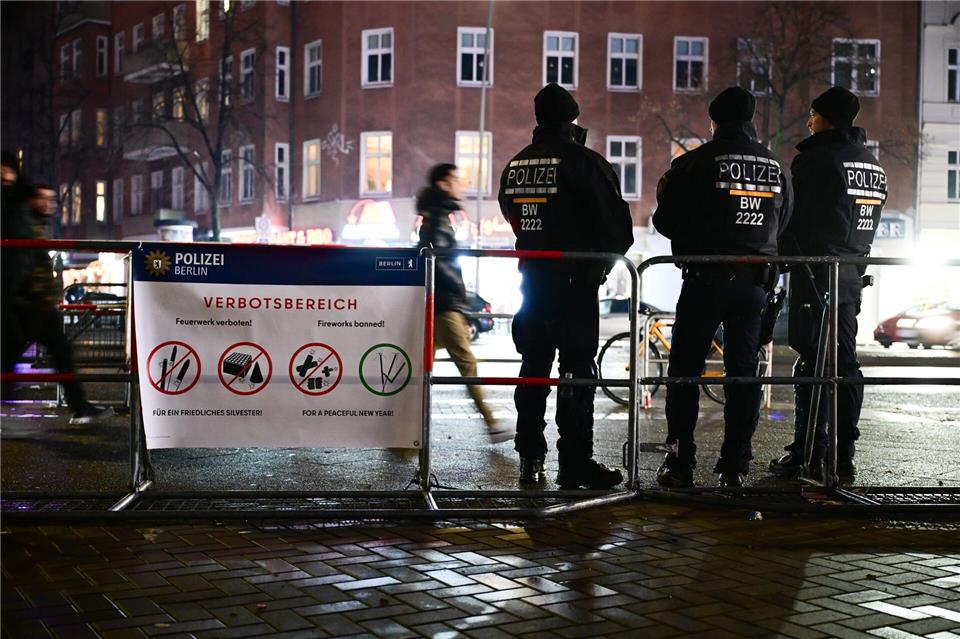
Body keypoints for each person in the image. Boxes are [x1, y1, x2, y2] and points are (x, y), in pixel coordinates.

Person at [652, 86, 792, 488]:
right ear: (751, 121)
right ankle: (735, 466)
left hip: (704, 280)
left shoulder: (695, 163)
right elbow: (784, 223)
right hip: (753, 285)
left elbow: (665, 220)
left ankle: (679, 463)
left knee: (685, 373)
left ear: (713, 123)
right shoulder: (775, 167)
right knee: (743, 374)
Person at [498, 83, 633, 489]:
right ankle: (574, 462)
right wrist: (598, 267)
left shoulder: (516, 165)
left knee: (533, 367)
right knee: (577, 371)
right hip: (575, 284)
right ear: (572, 119)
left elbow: (513, 214)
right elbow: (618, 228)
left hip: (532, 281)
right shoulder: (585, 162)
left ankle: (530, 457)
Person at [770, 86, 886, 481]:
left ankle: (809, 450)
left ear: (828, 119)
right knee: (845, 363)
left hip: (815, 273)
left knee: (812, 362)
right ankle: (843, 453)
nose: (808, 121)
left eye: (813, 114)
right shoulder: (870, 163)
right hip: (851, 277)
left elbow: (794, 219)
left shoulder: (817, 160)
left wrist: (781, 260)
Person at [0, 182, 113, 424]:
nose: (48, 204)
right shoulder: (22, 223)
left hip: (37, 304)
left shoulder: (33, 224)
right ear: (30, 200)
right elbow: (20, 265)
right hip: (27, 303)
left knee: (59, 352)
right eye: (42, 198)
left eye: (51, 199)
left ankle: (80, 406)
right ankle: (78, 407)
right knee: (12, 355)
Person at [416, 163, 513, 443]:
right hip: (445, 305)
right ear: (443, 184)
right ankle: (492, 422)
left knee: (423, 368)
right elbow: (437, 259)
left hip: (441, 302)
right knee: (466, 363)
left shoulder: (436, 215)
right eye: (457, 179)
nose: (462, 184)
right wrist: (459, 291)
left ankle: (402, 441)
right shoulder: (436, 220)